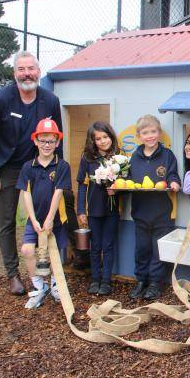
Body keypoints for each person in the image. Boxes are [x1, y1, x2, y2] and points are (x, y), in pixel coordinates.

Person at [0, 51, 63, 296]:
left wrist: (59, 169)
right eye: (22, 69)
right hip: (7, 169)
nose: (27, 74)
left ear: (38, 71)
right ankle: (13, 274)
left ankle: (49, 268)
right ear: (15, 73)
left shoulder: (50, 100)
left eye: (31, 69)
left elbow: (57, 137)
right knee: (6, 221)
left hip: (38, 167)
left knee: (48, 215)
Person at [16, 118, 71, 309]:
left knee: (55, 253)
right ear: (36, 141)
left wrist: (49, 219)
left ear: (57, 143)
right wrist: (33, 219)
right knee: (27, 250)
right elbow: (27, 194)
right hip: (35, 220)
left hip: (56, 219)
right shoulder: (27, 167)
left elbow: (58, 193)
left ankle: (56, 286)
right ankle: (40, 287)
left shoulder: (62, 166)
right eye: (43, 140)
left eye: (51, 141)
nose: (47, 145)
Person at [127, 115, 181, 300]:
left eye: (153, 131)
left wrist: (174, 183)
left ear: (159, 133)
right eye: (145, 133)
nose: (150, 136)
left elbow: (173, 175)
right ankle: (141, 280)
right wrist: (116, 186)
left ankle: (155, 283)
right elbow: (127, 180)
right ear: (139, 136)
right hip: (140, 212)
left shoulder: (167, 155)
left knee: (159, 250)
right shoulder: (135, 157)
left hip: (162, 212)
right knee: (142, 249)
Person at [76, 121, 121, 296]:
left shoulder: (119, 158)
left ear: (111, 137)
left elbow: (127, 184)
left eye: (105, 137)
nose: (102, 141)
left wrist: (116, 191)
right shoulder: (87, 158)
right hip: (93, 209)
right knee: (95, 246)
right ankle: (95, 279)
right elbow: (81, 185)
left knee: (108, 245)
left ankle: (106, 281)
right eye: (98, 138)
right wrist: (81, 210)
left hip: (112, 209)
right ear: (93, 141)